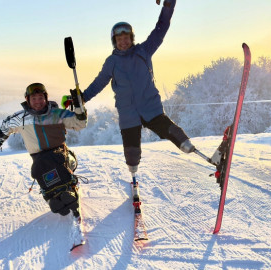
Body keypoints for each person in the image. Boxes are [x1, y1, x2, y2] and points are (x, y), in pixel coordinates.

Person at [65, 0, 195, 174]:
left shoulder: (144, 51)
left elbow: (161, 28)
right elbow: (100, 82)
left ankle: (197, 153)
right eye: (119, 39)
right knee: (132, 153)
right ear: (114, 41)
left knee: (174, 132)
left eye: (126, 38)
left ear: (131, 38)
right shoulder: (112, 62)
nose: (123, 42)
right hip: (128, 114)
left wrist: (168, 6)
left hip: (152, 109)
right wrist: (82, 98)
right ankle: (134, 180)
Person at [0, 83, 87, 218]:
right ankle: (53, 199)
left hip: (60, 153)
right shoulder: (21, 119)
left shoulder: (57, 114)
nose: (38, 102)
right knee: (40, 171)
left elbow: (80, 123)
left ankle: (69, 191)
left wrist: (79, 107)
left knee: (62, 165)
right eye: (34, 98)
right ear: (27, 100)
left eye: (40, 98)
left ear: (46, 98)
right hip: (40, 160)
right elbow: (6, 126)